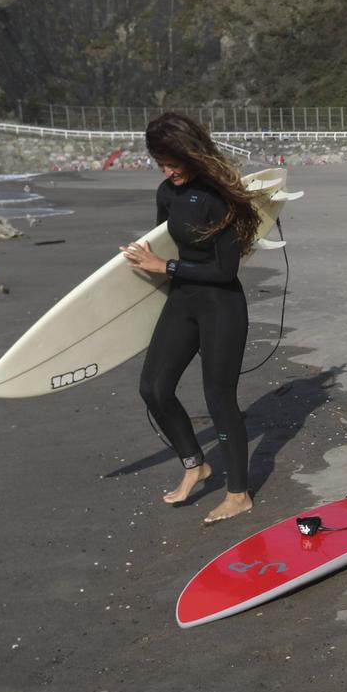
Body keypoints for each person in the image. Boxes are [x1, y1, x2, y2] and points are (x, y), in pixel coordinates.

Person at [119, 112, 263, 525]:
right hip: (182, 301)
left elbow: (225, 271)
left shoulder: (220, 197)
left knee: (219, 398)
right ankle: (195, 464)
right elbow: (163, 246)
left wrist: (165, 268)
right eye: (161, 164)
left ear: (191, 152)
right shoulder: (167, 193)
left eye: (173, 162)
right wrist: (140, 264)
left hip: (221, 306)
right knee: (154, 388)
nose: (168, 171)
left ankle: (238, 495)